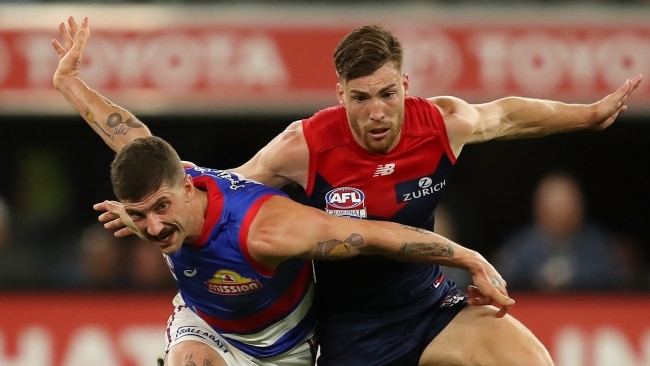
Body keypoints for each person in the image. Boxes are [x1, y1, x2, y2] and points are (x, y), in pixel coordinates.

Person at [53, 16, 643, 366]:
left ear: (405, 85)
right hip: (341, 328)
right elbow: (217, 189)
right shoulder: (304, 146)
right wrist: (167, 220)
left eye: (387, 94)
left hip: (422, 302)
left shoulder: (443, 123)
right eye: (360, 99)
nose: (377, 113)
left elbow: (509, 116)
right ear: (340, 95)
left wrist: (587, 115)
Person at [494, 172, 623, 292]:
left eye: (565, 208)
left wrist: (574, 277)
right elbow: (501, 279)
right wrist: (538, 278)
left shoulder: (595, 242)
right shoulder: (521, 244)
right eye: (554, 209)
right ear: (539, 210)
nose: (560, 216)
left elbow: (613, 277)